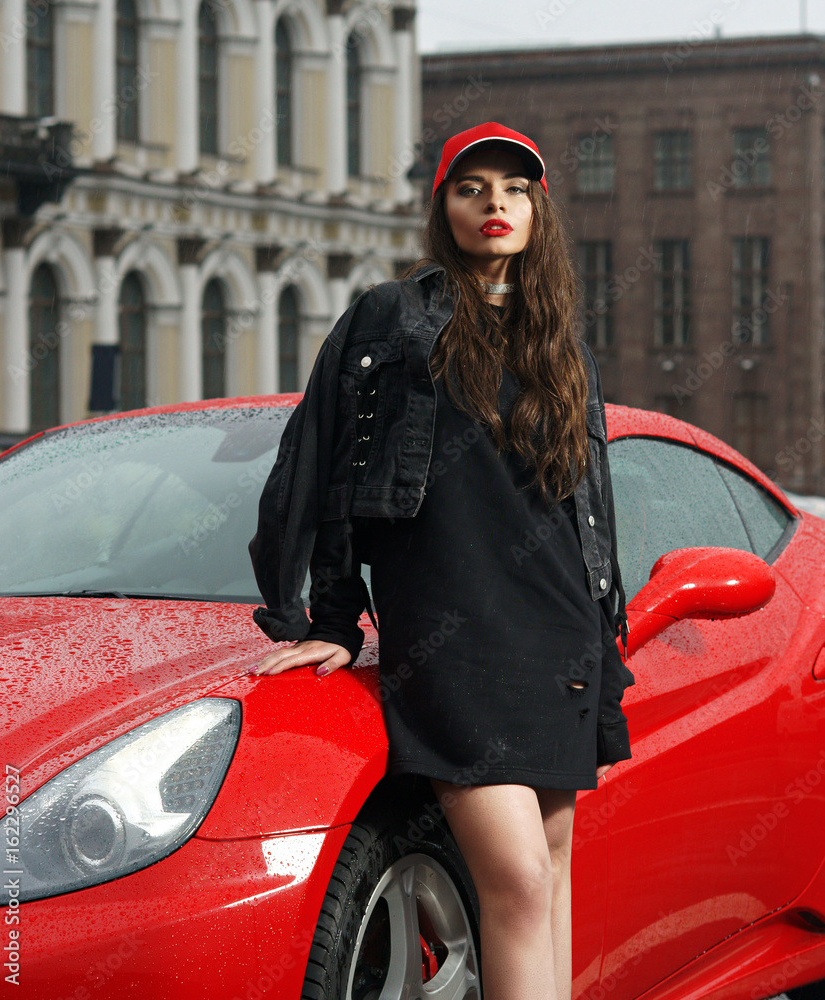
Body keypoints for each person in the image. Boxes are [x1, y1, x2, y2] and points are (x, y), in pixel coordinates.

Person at [247, 122, 634, 1000]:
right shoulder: (395, 320)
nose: (494, 203)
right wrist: (332, 619)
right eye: (472, 187)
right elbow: (324, 463)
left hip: (560, 639)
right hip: (453, 642)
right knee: (521, 881)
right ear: (442, 209)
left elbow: (589, 514)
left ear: (539, 209)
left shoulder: (563, 352)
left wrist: (606, 642)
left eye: (514, 188)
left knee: (555, 879)